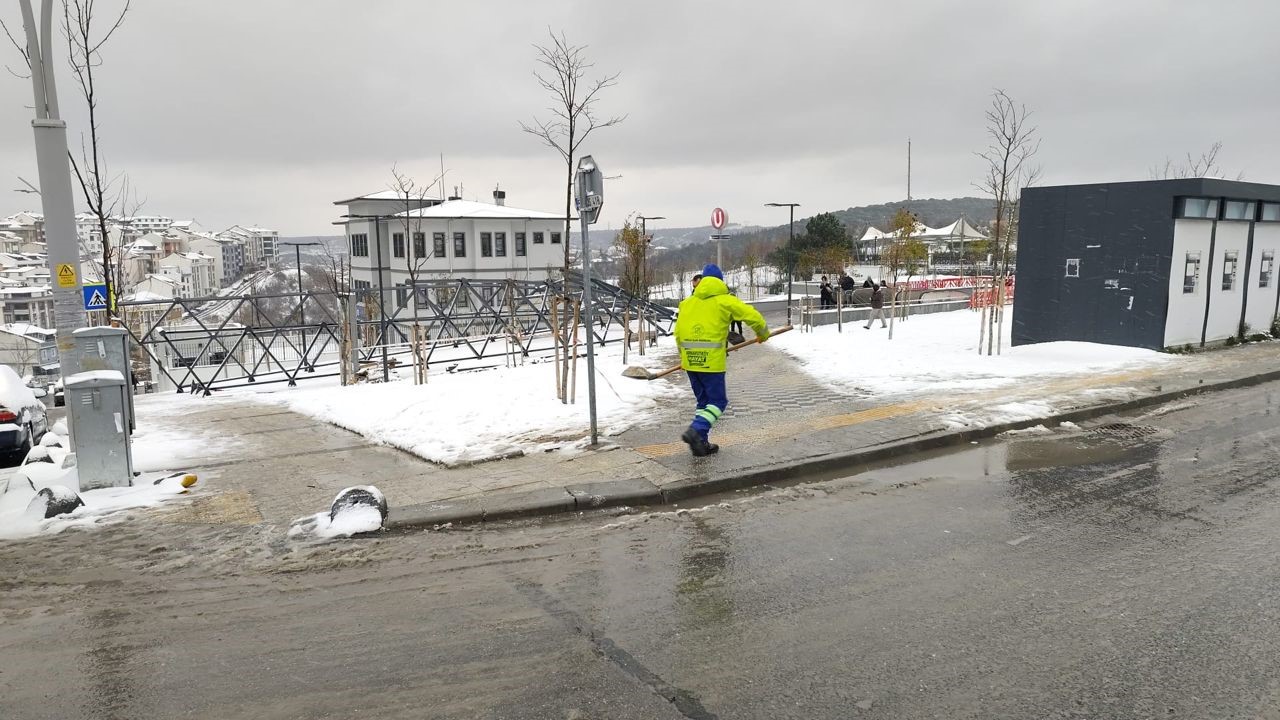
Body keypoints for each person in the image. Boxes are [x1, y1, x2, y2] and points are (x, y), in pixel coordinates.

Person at [675, 263, 769, 457]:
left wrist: (683, 358)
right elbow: (754, 316)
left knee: (704, 402)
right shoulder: (725, 300)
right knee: (718, 402)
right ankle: (696, 430)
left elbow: (678, 334)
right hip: (711, 363)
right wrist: (763, 334)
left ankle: (700, 444)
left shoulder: (686, 303)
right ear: (720, 281)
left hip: (691, 362)